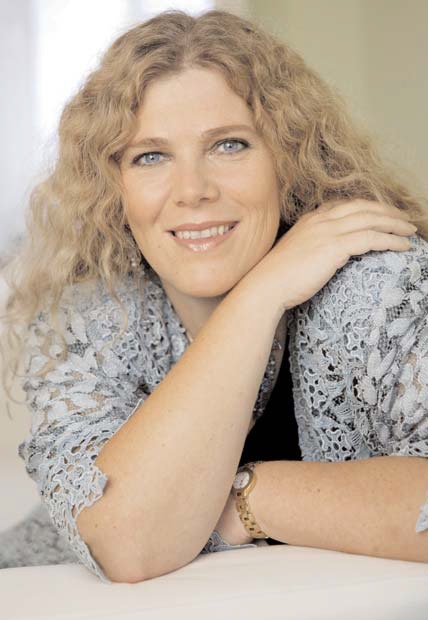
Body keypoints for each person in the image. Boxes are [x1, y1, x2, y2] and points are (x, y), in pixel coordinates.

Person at [1, 8, 428, 585]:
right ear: (112, 186)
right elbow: (128, 547)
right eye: (150, 156)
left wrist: (251, 494)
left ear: (288, 159)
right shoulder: (89, 315)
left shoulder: (382, 283)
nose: (193, 191)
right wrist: (260, 294)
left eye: (229, 145)